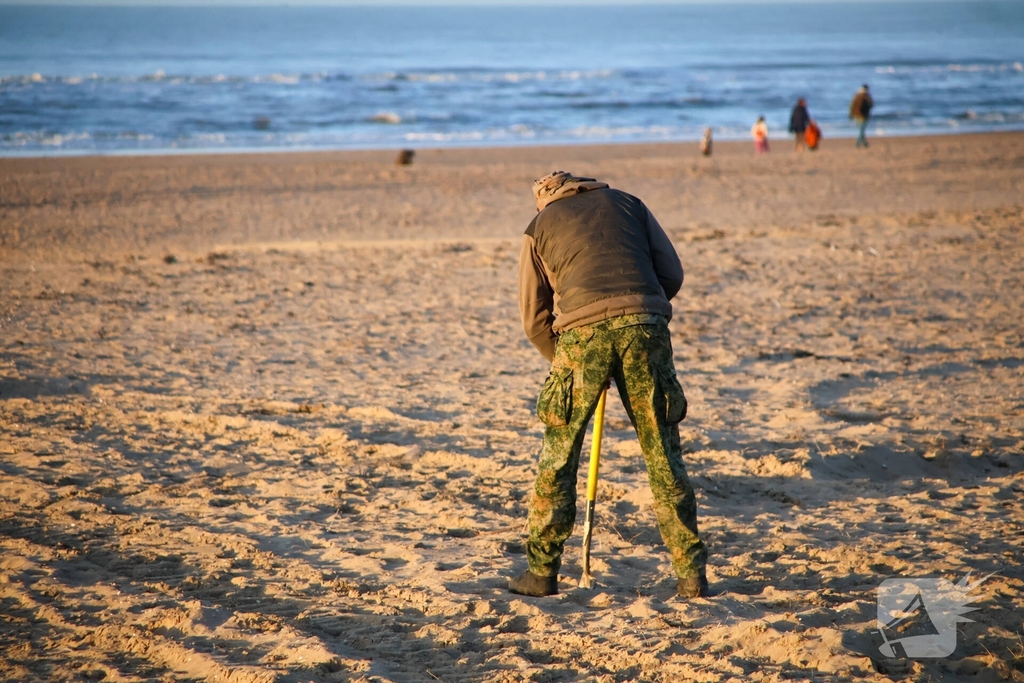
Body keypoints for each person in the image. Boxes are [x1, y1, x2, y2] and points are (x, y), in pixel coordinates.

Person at [509, 170, 708, 599]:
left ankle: (541, 572)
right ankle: (691, 575)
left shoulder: (538, 226)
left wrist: (567, 361)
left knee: (559, 454)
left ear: (544, 200)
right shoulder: (629, 202)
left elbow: (534, 317)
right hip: (646, 324)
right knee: (663, 451)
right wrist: (641, 313)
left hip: (582, 334)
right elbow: (670, 275)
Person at [849, 84, 874, 148]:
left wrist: (851, 114)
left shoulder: (857, 95)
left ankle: (864, 142)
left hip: (857, 115)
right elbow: (871, 104)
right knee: (861, 130)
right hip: (863, 115)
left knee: (861, 129)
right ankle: (859, 142)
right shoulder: (866, 96)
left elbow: (852, 106)